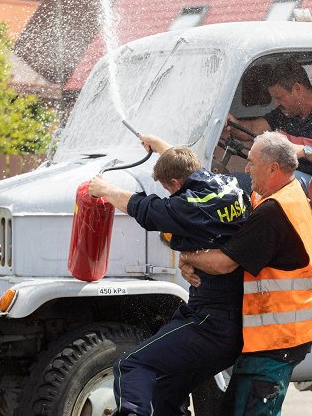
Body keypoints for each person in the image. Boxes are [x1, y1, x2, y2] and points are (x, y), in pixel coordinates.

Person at [88, 134, 250, 416]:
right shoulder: (226, 185)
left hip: (210, 322)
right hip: (230, 321)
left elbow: (144, 207)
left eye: (170, 189)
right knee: (165, 394)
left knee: (130, 367)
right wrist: (159, 145)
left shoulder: (187, 205)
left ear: (175, 184)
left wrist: (103, 190)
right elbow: (189, 166)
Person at [178, 131, 312, 415]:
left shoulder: (273, 213)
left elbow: (224, 264)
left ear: (272, 169)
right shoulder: (291, 192)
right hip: (283, 336)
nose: (245, 168)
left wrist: (186, 255)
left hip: (275, 340)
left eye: (251, 162)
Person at [227, 58, 312, 236]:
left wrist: (304, 150)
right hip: (294, 186)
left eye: (279, 97)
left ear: (297, 88)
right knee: (236, 182)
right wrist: (231, 123)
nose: (276, 103)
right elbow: (251, 130)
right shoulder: (283, 114)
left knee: (285, 177)